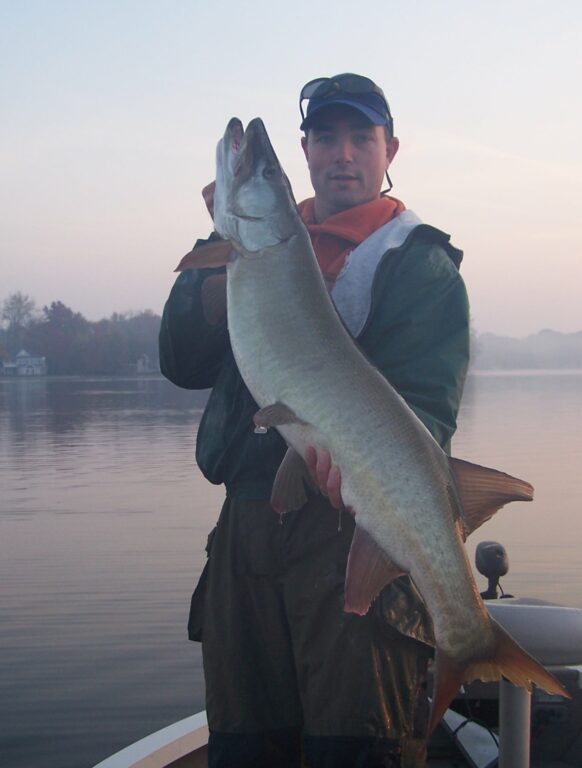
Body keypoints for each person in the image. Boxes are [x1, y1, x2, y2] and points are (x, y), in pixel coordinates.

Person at [159, 73, 471, 768]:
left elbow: (425, 411)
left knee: (353, 752)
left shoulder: (419, 264)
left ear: (391, 150)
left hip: (351, 533)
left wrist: (359, 472)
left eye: (362, 137)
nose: (343, 154)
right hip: (245, 534)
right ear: (305, 152)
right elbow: (178, 360)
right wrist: (222, 261)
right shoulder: (252, 239)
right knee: (245, 749)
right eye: (325, 138)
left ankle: (467, 641)